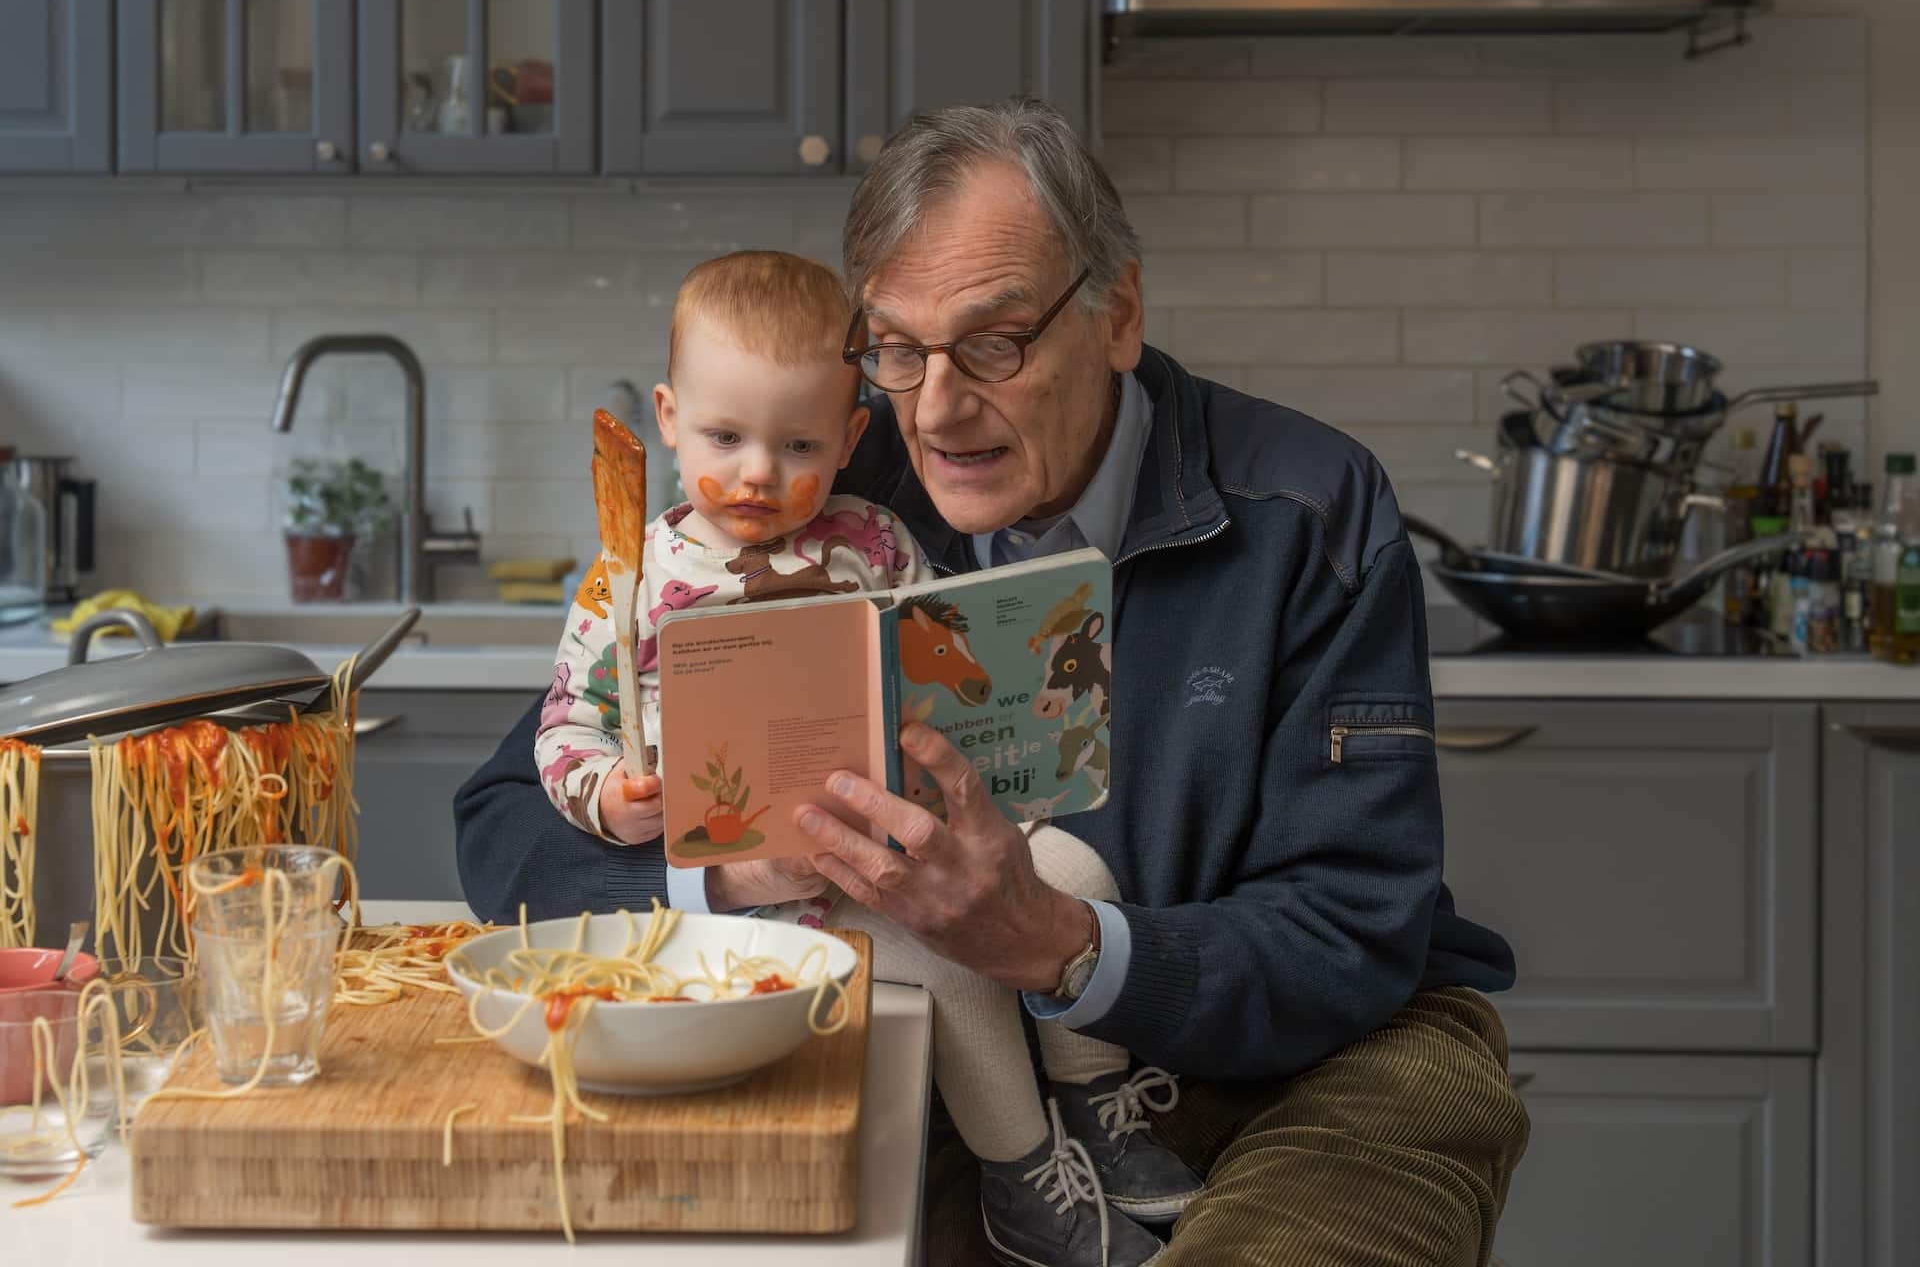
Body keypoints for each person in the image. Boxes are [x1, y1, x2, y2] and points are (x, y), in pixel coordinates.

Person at [458, 98, 1529, 1266]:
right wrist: (731, 865)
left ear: (1118, 313)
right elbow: (512, 817)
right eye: (898, 350)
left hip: (1326, 1065)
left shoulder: (1311, 510)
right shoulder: (815, 490)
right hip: (976, 1063)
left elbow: (1352, 931)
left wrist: (1066, 946)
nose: (938, 407)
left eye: (994, 345)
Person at [531, 248, 1201, 1266]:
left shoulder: (877, 543)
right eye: (725, 437)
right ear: (668, 418)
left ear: (851, 437)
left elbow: (938, 650)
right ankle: (1023, 1176)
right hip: (791, 896)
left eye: (797, 443)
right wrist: (609, 796)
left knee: (1076, 869)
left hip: (905, 827)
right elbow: (565, 727)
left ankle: (1100, 1108)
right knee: (946, 958)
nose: (758, 472)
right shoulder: (629, 580)